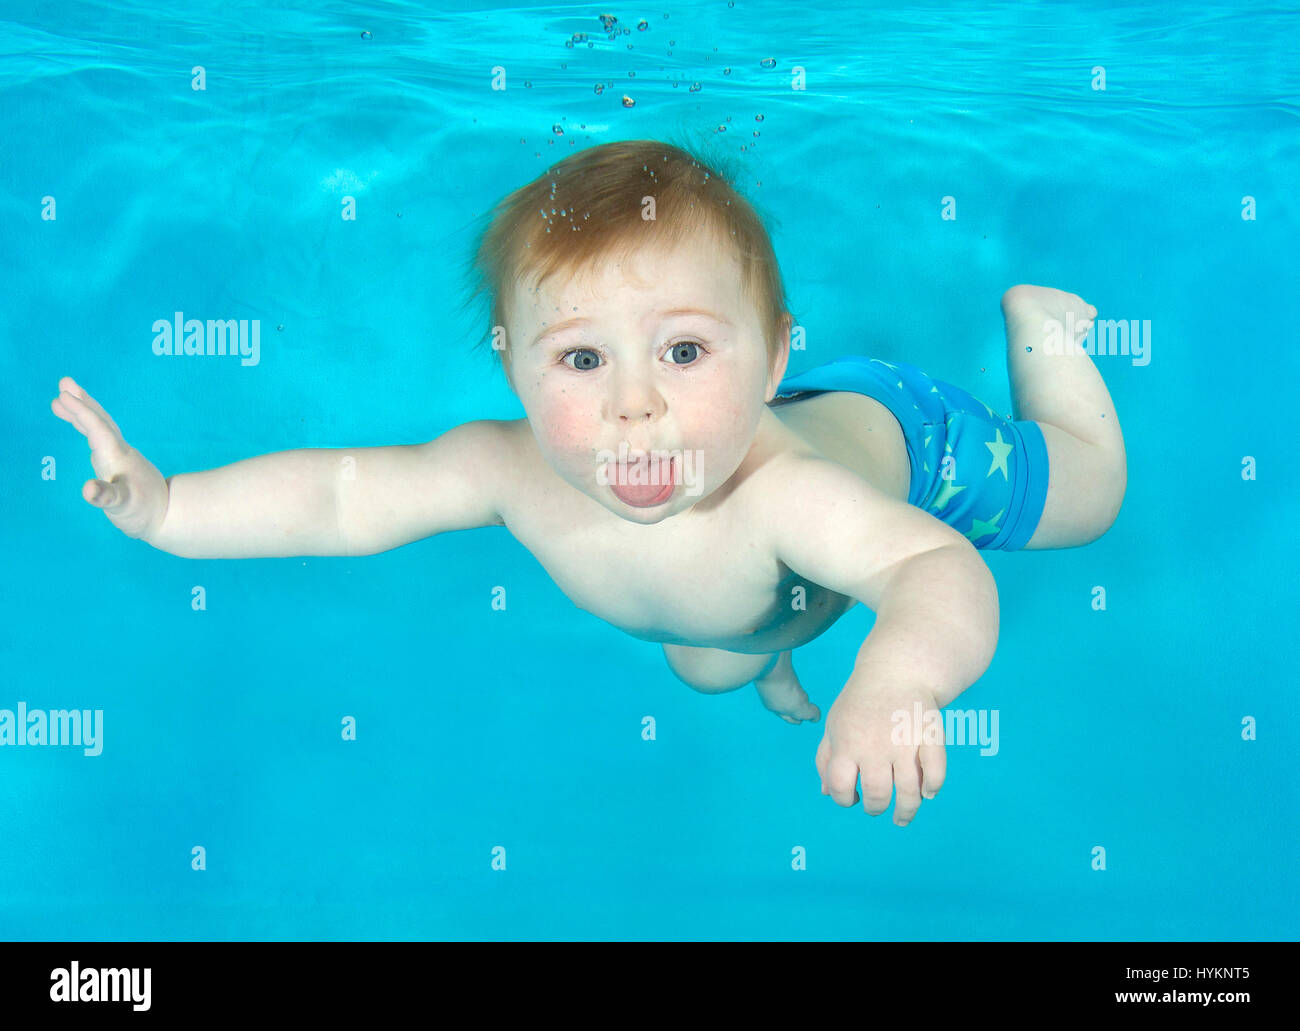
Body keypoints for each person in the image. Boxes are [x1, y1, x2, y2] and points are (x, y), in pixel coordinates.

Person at [51, 139, 1126, 826]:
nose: (634, 406)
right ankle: (779, 653)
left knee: (1087, 497)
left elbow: (934, 565)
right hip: (757, 579)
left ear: (771, 355)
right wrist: (170, 506)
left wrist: (899, 683)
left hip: (913, 446)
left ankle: (1042, 333)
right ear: (510, 362)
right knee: (708, 662)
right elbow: (340, 495)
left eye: (684, 352)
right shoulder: (508, 466)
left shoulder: (781, 495)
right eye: (580, 360)